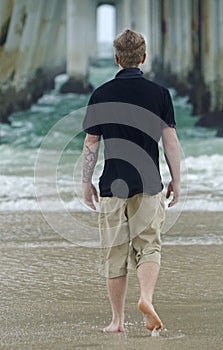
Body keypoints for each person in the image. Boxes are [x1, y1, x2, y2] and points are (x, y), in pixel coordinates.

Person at [82, 29, 180, 334]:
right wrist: (177, 180)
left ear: (116, 59)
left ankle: (117, 321)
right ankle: (146, 298)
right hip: (150, 183)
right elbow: (170, 141)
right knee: (149, 246)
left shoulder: (101, 94)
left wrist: (86, 182)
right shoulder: (159, 94)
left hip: (113, 184)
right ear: (144, 58)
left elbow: (92, 142)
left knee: (115, 253)